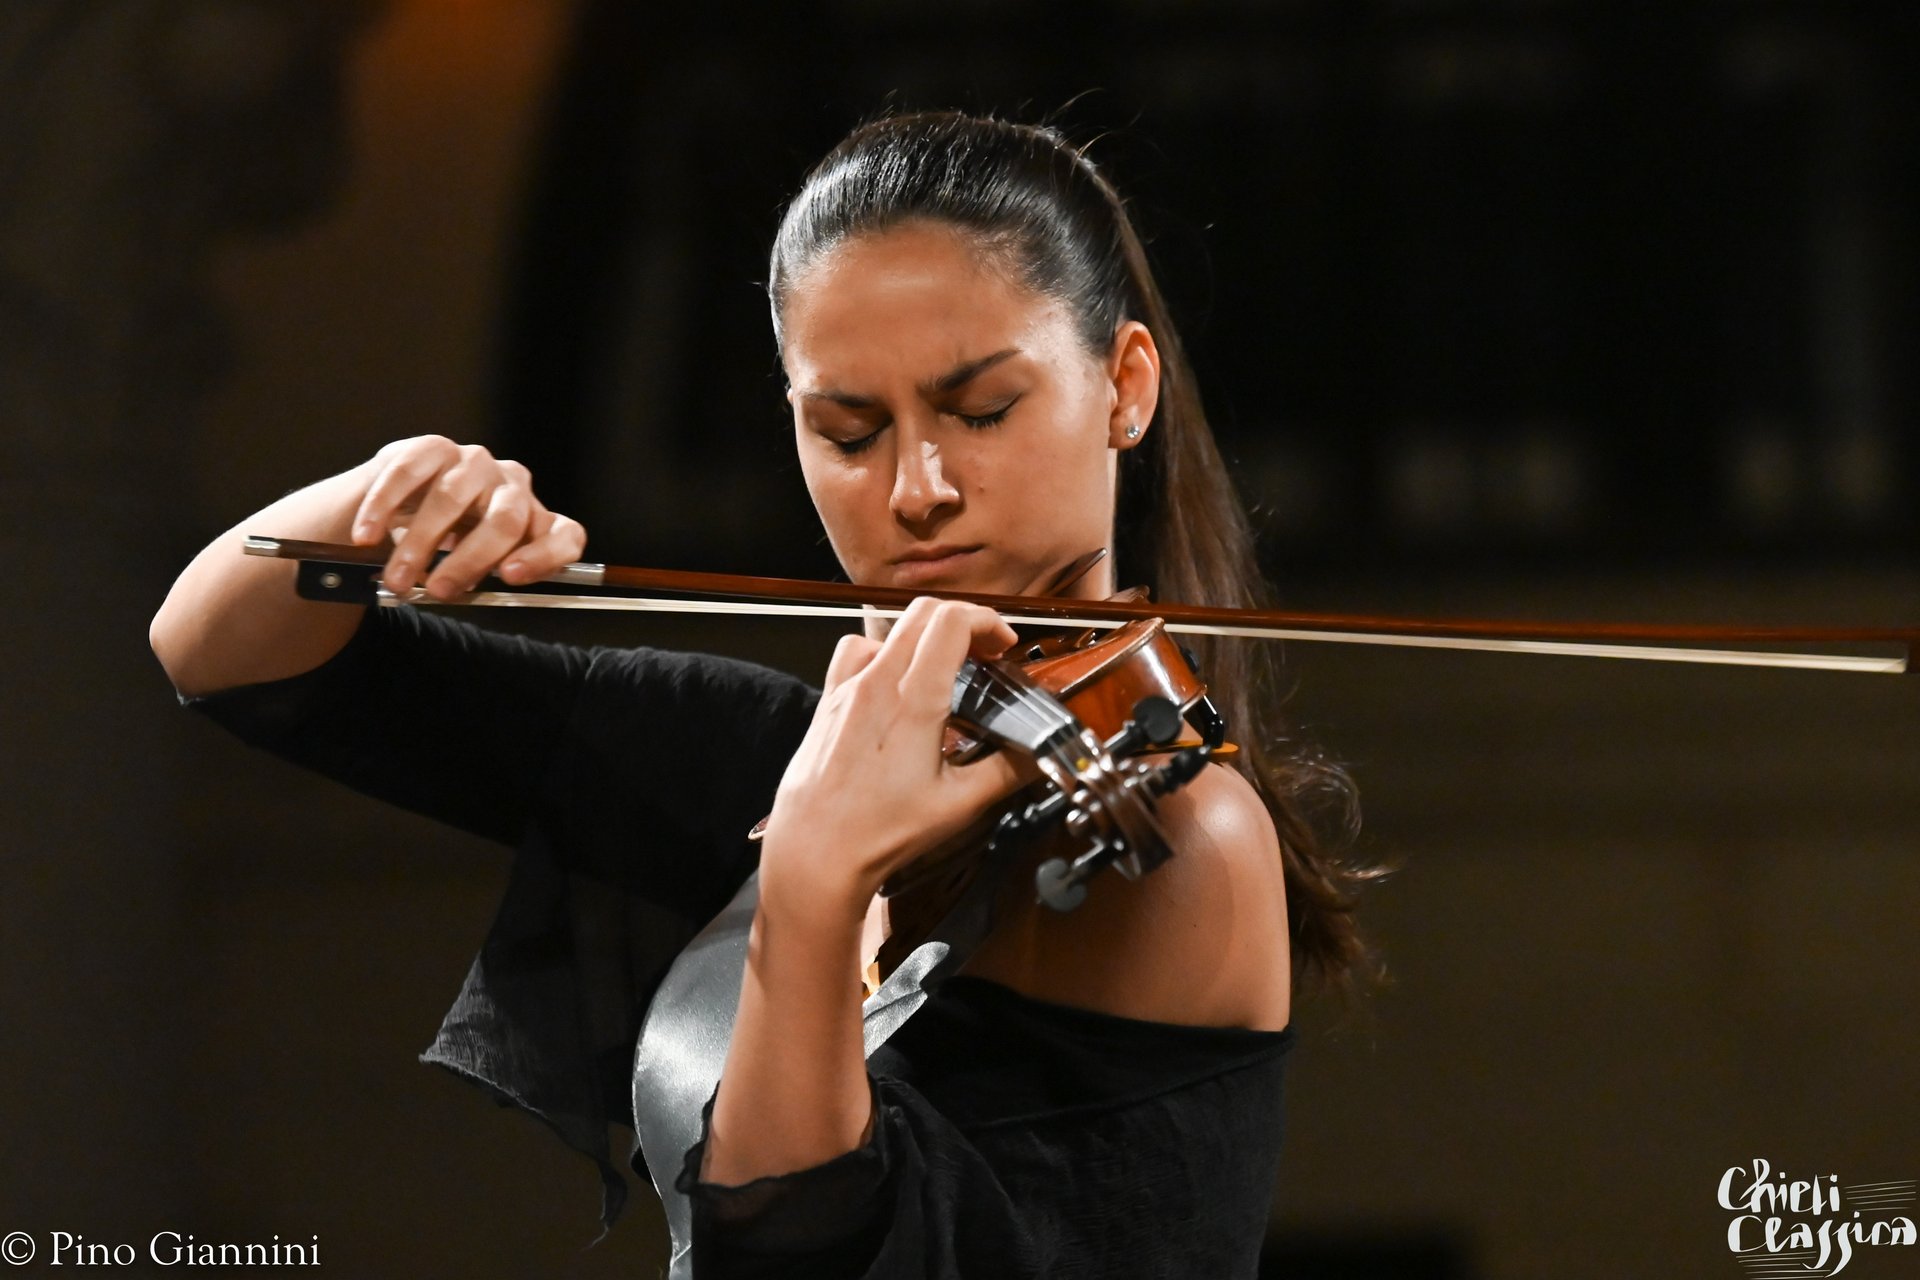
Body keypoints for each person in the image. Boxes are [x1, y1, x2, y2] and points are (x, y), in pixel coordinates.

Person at [151, 110, 1379, 1278]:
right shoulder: (750, 754)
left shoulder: (1174, 838)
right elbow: (226, 655)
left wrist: (812, 879)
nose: (917, 488)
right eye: (849, 430)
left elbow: (798, 1250)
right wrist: (387, 496)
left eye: (981, 409)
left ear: (1125, 386)